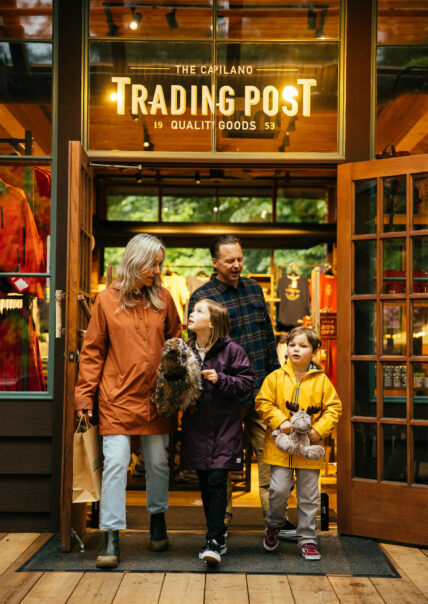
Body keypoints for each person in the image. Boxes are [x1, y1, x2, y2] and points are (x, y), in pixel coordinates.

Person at [74, 234, 181, 568]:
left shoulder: (164, 298)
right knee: (117, 464)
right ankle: (111, 534)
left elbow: (176, 340)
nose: (157, 271)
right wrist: (84, 396)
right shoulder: (106, 300)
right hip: (116, 397)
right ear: (136, 261)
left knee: (158, 464)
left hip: (156, 400)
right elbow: (92, 352)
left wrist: (177, 378)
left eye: (160, 264)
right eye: (153, 264)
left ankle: (157, 519)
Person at [187, 235, 295, 538]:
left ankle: (275, 520)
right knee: (222, 462)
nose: (237, 265)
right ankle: (220, 523)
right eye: (230, 260)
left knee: (271, 458)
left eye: (240, 259)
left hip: (261, 389)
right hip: (224, 394)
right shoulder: (203, 297)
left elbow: (266, 334)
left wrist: (277, 379)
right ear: (215, 262)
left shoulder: (254, 289)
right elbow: (197, 346)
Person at [255, 326, 342, 560]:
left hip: (308, 450)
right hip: (280, 448)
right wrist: (280, 419)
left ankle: (307, 539)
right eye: (292, 345)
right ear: (286, 348)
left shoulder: (322, 381)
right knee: (278, 490)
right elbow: (263, 402)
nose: (296, 349)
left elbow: (334, 408)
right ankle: (273, 525)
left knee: (308, 495)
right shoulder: (275, 377)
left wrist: (318, 430)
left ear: (314, 352)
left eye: (303, 346)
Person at [181, 299, 254, 566]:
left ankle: (213, 540)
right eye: (193, 310)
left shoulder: (232, 350)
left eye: (199, 311)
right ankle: (218, 534)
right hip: (196, 428)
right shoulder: (184, 349)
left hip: (225, 428)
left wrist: (219, 379)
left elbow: (247, 383)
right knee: (204, 482)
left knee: (216, 480)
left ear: (213, 322)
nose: (192, 313)